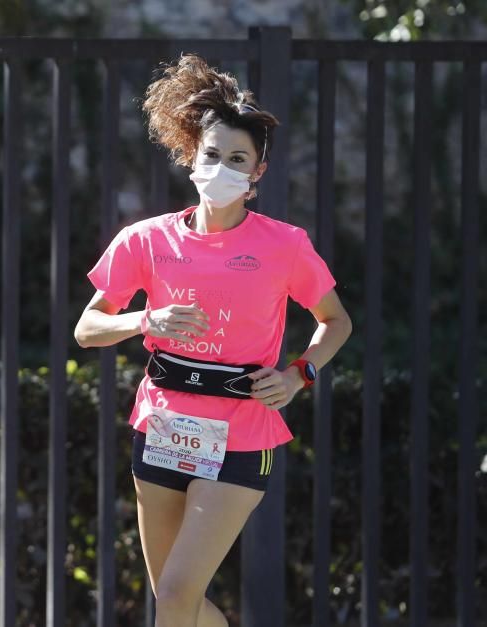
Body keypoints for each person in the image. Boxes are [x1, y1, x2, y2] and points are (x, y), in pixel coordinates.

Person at [74, 55, 352, 626]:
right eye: (211, 155)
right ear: (190, 159)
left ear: (257, 173)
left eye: (237, 159)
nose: (221, 167)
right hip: (163, 424)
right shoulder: (145, 240)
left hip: (243, 430)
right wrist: (144, 321)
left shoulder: (285, 245)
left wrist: (300, 374)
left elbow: (336, 321)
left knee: (176, 594)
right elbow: (87, 329)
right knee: (179, 601)